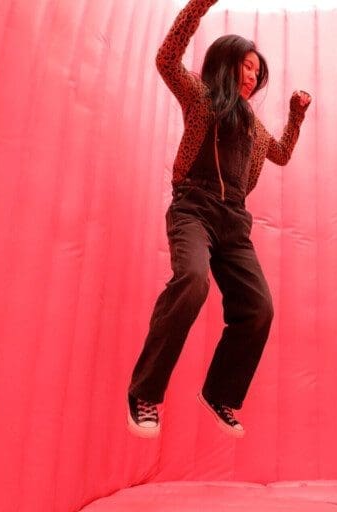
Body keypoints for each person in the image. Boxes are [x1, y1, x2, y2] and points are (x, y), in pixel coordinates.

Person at [127, 0, 312, 440]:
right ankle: (145, 393)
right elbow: (166, 58)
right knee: (192, 280)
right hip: (194, 207)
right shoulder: (201, 97)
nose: (252, 76)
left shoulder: (254, 125)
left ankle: (219, 393)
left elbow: (282, 153)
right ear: (225, 64)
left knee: (258, 308)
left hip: (235, 223)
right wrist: (197, 7)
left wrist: (296, 114)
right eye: (246, 66)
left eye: (256, 70)